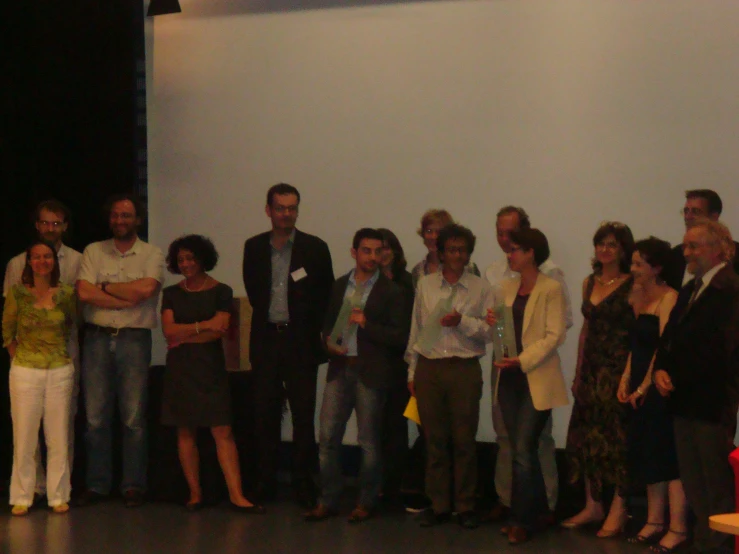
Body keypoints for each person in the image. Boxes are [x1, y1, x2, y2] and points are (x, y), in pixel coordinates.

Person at [242, 183, 334, 508]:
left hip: (301, 343)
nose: (287, 213)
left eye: (292, 207)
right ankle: (265, 483)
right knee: (264, 416)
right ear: (268, 210)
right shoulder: (253, 247)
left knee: (303, 417)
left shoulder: (315, 248)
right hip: (267, 340)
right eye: (280, 207)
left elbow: (325, 297)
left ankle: (304, 485)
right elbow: (255, 293)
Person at [305, 228, 406, 523]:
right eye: (366, 250)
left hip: (370, 373)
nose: (373, 257)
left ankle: (366, 501)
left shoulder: (392, 292)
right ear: (354, 252)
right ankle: (329, 499)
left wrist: (366, 323)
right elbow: (326, 324)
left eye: (378, 251)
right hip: (339, 368)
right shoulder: (339, 286)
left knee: (368, 442)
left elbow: (399, 336)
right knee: (326, 438)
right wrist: (327, 342)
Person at [161, 235, 264, 514]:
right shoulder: (171, 293)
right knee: (186, 431)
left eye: (191, 258)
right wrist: (203, 326)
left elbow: (220, 330)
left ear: (203, 258)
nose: (186, 264)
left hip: (210, 367)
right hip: (180, 369)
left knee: (223, 430)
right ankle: (195, 495)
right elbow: (169, 333)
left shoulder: (222, 290)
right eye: (181, 259)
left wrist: (187, 332)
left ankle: (237, 495)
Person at [654, 219, 739, 554]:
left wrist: (678, 375)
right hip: (684, 400)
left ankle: (717, 546)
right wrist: (661, 368)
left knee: (715, 482)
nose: (685, 252)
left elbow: (725, 351)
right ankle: (705, 541)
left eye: (693, 246)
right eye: (685, 245)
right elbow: (670, 338)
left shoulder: (731, 289)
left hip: (712, 401)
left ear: (719, 248)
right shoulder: (690, 289)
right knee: (693, 480)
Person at [484, 206, 573, 526]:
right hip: (507, 376)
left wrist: (522, 360)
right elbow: (499, 332)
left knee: (527, 447)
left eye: (516, 246)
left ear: (531, 252)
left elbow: (556, 333)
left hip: (535, 375)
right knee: (513, 445)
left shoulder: (551, 284)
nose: (509, 249)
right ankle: (521, 508)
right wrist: (493, 323)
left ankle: (528, 516)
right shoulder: (503, 285)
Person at [76, 194, 165, 508]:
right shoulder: (93, 251)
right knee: (95, 419)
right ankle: (98, 485)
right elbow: (83, 292)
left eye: (126, 215)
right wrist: (123, 297)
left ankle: (132, 486)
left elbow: (146, 290)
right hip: (97, 339)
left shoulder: (152, 253)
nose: (120, 221)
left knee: (133, 419)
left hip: (134, 340)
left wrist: (103, 288)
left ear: (137, 220)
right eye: (115, 215)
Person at [406, 224, 494, 530]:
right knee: (434, 440)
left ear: (469, 253)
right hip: (430, 366)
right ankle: (439, 505)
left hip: (464, 368)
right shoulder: (426, 284)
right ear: (440, 253)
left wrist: (463, 322)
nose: (457, 255)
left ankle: (466, 505)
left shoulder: (482, 288)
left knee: (464, 441)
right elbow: (416, 330)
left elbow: (493, 332)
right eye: (451, 249)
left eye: (462, 250)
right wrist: (413, 370)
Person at [3, 200, 82, 502]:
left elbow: (77, 316)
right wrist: (16, 356)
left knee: (61, 429)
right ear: (37, 226)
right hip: (25, 362)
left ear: (65, 226)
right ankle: (31, 489)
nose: (51, 228)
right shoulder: (15, 264)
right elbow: (9, 318)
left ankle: (58, 492)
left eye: (57, 223)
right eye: (45, 223)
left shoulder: (76, 260)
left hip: (62, 358)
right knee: (26, 432)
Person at [563, 222, 635, 537]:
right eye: (600, 244)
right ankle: (593, 505)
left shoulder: (633, 283)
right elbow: (586, 330)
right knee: (587, 436)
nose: (605, 250)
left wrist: (631, 376)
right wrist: (578, 372)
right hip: (592, 370)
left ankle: (619, 508)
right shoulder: (589, 282)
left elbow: (637, 334)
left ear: (623, 249)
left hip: (618, 370)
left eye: (612, 244)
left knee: (616, 440)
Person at [617, 237, 688, 553]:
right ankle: (654, 520)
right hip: (640, 383)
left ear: (656, 268)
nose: (632, 270)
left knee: (666, 455)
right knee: (646, 452)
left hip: (660, 385)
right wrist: (625, 379)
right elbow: (636, 347)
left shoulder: (669, 298)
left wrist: (644, 387)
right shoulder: (636, 296)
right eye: (632, 263)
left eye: (638, 264)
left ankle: (678, 527)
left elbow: (662, 348)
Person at [376, 228, 415, 509]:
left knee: (396, 428)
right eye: (378, 247)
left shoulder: (407, 281)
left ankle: (394, 488)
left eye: (388, 246)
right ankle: (374, 486)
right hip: (371, 363)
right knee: (373, 428)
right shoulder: (363, 281)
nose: (383, 252)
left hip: (399, 364)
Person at [663, 189, 739, 291]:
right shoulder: (676, 255)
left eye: (695, 211)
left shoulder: (736, 253)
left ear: (714, 217)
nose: (688, 217)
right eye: (686, 211)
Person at [411, 209, 480, 288]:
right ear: (423, 234)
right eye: (429, 231)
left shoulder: (468, 268)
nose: (433, 237)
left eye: (439, 232)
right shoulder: (418, 271)